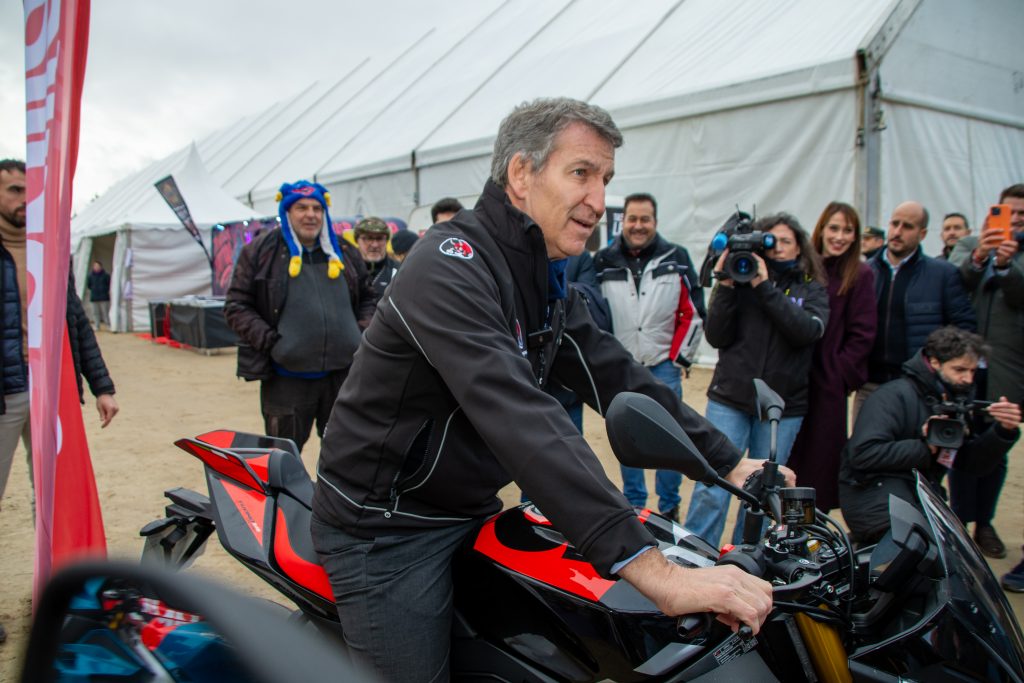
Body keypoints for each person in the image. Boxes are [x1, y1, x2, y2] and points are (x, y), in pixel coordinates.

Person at [310, 98, 783, 682]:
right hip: (387, 527)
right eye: (581, 173)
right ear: (521, 173)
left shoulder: (543, 277)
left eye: (605, 179)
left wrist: (729, 462)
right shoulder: (449, 263)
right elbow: (520, 416)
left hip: (468, 507)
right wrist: (654, 570)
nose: (599, 200)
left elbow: (616, 374)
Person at [1, 159, 120, 642]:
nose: (22, 200)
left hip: (53, 394)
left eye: (28, 191)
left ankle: (52, 594)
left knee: (53, 499)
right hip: (5, 393)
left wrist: (102, 386)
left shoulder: (49, 249)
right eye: (13, 190)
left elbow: (76, 320)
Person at [684, 212, 828, 548]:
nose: (777, 248)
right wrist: (726, 286)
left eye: (785, 241)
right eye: (771, 240)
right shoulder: (740, 277)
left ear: (800, 248)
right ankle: (694, 553)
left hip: (782, 406)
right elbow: (716, 336)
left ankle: (747, 557)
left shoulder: (810, 286)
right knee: (713, 484)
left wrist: (764, 287)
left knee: (764, 490)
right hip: (731, 397)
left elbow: (805, 332)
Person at [223, 180, 376, 453]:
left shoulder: (344, 252)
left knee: (346, 453)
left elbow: (369, 297)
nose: (311, 215)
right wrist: (272, 342)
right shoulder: (261, 251)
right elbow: (237, 305)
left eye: (317, 208)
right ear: (287, 212)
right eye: (302, 208)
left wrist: (359, 332)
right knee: (283, 456)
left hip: (342, 376)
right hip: (287, 378)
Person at [839, 327, 1020, 545]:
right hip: (872, 498)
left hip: (918, 496)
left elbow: (971, 464)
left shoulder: (953, 400)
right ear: (934, 362)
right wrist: (925, 447)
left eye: (973, 371)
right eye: (960, 370)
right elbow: (863, 454)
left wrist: (1003, 431)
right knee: (926, 552)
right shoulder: (892, 396)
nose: (968, 378)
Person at [594, 192, 705, 521]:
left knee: (670, 438)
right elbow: (595, 314)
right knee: (627, 437)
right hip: (622, 366)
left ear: (655, 221)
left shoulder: (677, 257)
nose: (638, 225)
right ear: (623, 221)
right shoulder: (603, 260)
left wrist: (680, 358)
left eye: (645, 219)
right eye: (632, 218)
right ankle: (635, 506)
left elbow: (694, 310)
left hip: (663, 366)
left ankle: (669, 507)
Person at [946, 183, 1024, 558]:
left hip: (1007, 367)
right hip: (962, 364)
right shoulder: (969, 244)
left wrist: (1007, 266)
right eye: (1010, 212)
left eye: (1022, 215)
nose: (1016, 220)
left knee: (997, 443)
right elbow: (954, 282)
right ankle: (959, 520)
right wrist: (981, 256)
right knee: (957, 441)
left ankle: (985, 522)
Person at [787, 202, 876, 512]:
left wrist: (839, 374)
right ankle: (783, 524)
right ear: (821, 229)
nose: (839, 236)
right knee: (788, 456)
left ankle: (812, 527)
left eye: (847, 230)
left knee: (820, 462)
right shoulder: (803, 268)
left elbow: (863, 333)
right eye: (834, 228)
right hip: (792, 378)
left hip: (826, 385)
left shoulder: (860, 274)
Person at [855, 201, 975, 417]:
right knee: (865, 439)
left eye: (907, 226)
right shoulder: (865, 272)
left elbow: (964, 329)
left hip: (920, 387)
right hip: (870, 385)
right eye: (894, 224)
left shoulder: (943, 274)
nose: (897, 232)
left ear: (922, 233)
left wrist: (942, 372)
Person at [353, 216, 399, 299]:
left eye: (380, 238)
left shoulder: (399, 271)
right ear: (357, 241)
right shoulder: (348, 271)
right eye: (368, 238)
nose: (375, 245)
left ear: (386, 241)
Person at [86, 260, 111, 329]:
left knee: (105, 312)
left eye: (97, 266)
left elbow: (109, 284)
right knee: (95, 312)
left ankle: (108, 324)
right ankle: (97, 325)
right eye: (95, 266)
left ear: (101, 267)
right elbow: (89, 285)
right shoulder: (90, 276)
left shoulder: (106, 275)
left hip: (104, 297)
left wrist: (105, 290)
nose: (96, 267)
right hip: (94, 297)